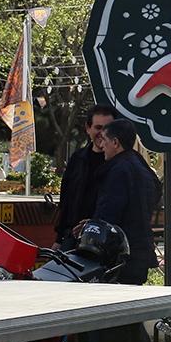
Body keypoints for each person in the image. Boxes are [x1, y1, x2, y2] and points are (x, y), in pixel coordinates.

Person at [86, 120, 162, 342]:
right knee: (127, 318)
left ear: (116, 142)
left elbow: (110, 212)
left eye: (104, 140)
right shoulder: (141, 167)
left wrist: (92, 228)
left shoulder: (118, 170)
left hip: (121, 254)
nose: (101, 145)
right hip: (139, 251)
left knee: (115, 320)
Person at [57, 104, 115, 245]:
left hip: (107, 241)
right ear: (88, 128)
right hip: (73, 237)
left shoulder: (122, 163)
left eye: (108, 128)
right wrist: (59, 239)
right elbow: (66, 201)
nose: (103, 133)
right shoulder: (77, 159)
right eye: (98, 128)